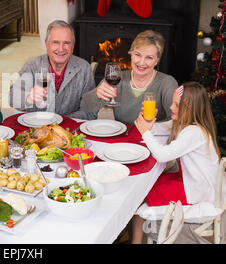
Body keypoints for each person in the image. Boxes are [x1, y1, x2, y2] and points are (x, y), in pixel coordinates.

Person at [131, 82, 220, 244]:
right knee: (146, 185)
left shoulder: (194, 132)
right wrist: (148, 125)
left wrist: (145, 132)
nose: (171, 107)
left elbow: (163, 156)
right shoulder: (186, 124)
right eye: (172, 102)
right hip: (190, 181)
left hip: (195, 190)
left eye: (176, 105)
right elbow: (162, 129)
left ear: (190, 109)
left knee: (141, 193)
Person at [81, 30, 178, 124]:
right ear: (131, 54)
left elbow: (177, 119)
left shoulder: (167, 83)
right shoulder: (117, 77)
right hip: (122, 137)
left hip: (152, 138)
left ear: (157, 60)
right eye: (137, 55)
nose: (141, 62)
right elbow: (85, 107)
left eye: (149, 57)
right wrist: (97, 94)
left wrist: (150, 128)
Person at [9, 20, 96, 119]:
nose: (61, 49)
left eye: (66, 43)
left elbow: (91, 112)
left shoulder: (84, 68)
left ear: (72, 46)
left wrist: (61, 123)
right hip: (37, 129)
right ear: (47, 45)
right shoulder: (32, 66)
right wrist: (28, 97)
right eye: (56, 42)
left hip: (70, 130)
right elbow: (12, 98)